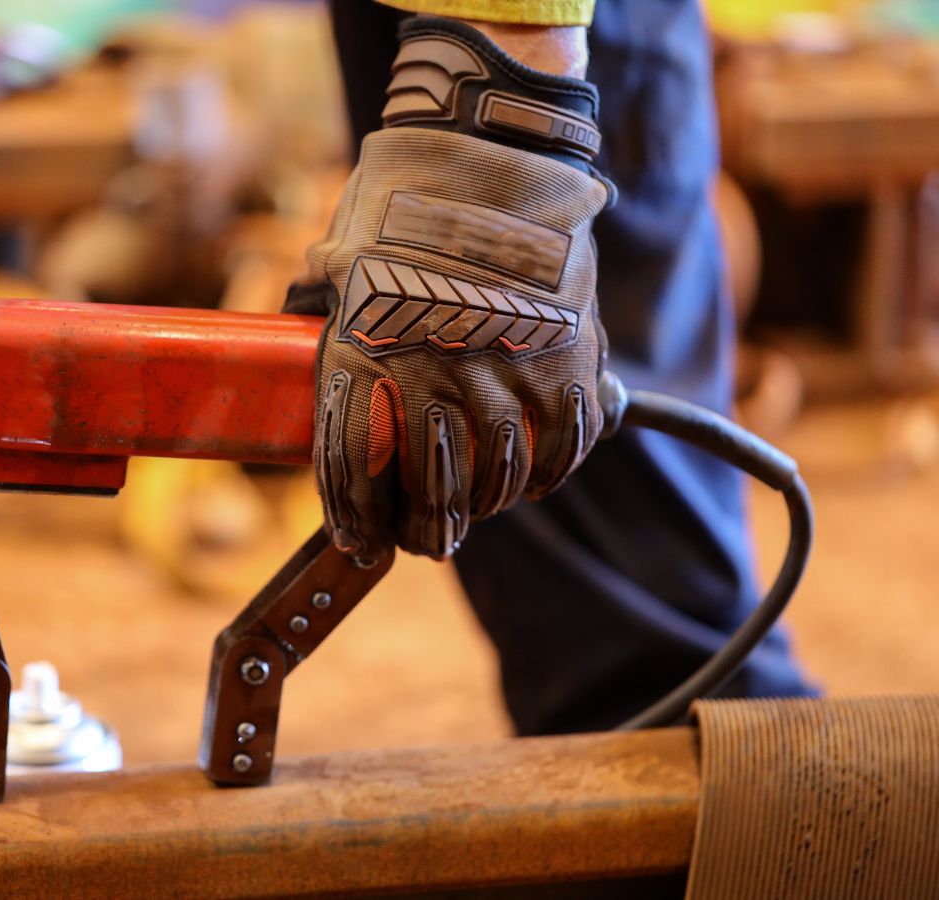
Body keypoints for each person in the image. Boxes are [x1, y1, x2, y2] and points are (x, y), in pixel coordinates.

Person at [284, 0, 817, 736]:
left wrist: (511, 94)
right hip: (453, 31)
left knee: (651, 649)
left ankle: (739, 779)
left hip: (519, 37)